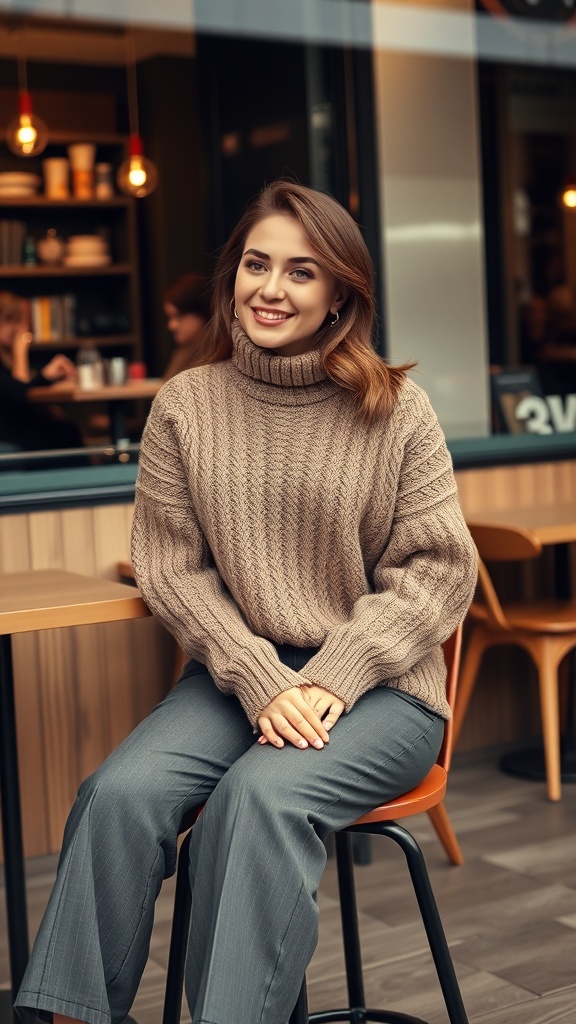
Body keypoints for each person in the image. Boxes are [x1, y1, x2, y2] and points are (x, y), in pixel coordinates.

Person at [16, 181, 477, 1024]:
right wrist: (262, 680)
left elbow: (440, 570)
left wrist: (335, 673)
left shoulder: (396, 408)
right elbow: (172, 570)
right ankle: (67, 1015)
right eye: (256, 265)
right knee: (116, 796)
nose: (272, 288)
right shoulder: (187, 407)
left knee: (257, 801)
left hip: (384, 690)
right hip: (240, 681)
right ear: (231, 277)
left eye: (302, 272)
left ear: (341, 291)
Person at [0, 291, 82, 454]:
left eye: (20, 321)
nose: (18, 329)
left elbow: (18, 390)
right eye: (11, 321)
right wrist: (20, 352)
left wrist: (47, 376)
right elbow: (18, 395)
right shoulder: (12, 355)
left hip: (13, 427)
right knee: (65, 433)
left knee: (66, 427)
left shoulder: (5, 357)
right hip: (7, 433)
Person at [162, 271, 211, 380]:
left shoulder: (217, 355)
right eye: (170, 318)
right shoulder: (185, 351)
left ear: (200, 313)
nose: (171, 325)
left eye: (179, 316)